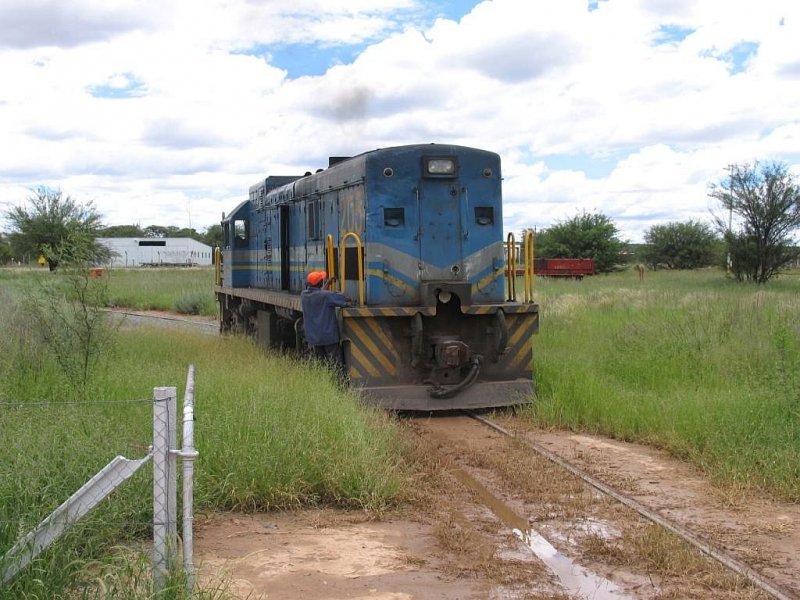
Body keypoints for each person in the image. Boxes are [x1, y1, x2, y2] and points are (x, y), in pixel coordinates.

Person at [300, 270, 349, 377]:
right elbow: (344, 300)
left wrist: (326, 285)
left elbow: (318, 294)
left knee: (320, 365)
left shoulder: (304, 295)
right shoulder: (326, 296)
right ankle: (338, 383)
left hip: (314, 338)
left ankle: (323, 383)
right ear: (319, 283)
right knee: (335, 365)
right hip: (328, 337)